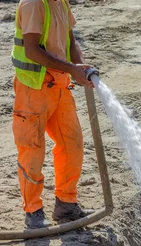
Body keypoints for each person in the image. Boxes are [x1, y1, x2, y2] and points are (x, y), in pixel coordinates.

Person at [11, 0, 94, 229]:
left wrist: (81, 66)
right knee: (32, 150)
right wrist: (71, 69)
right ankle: (33, 211)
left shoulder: (60, 2)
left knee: (72, 143)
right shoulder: (33, 4)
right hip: (33, 89)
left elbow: (71, 41)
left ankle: (66, 204)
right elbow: (32, 50)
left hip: (59, 86)